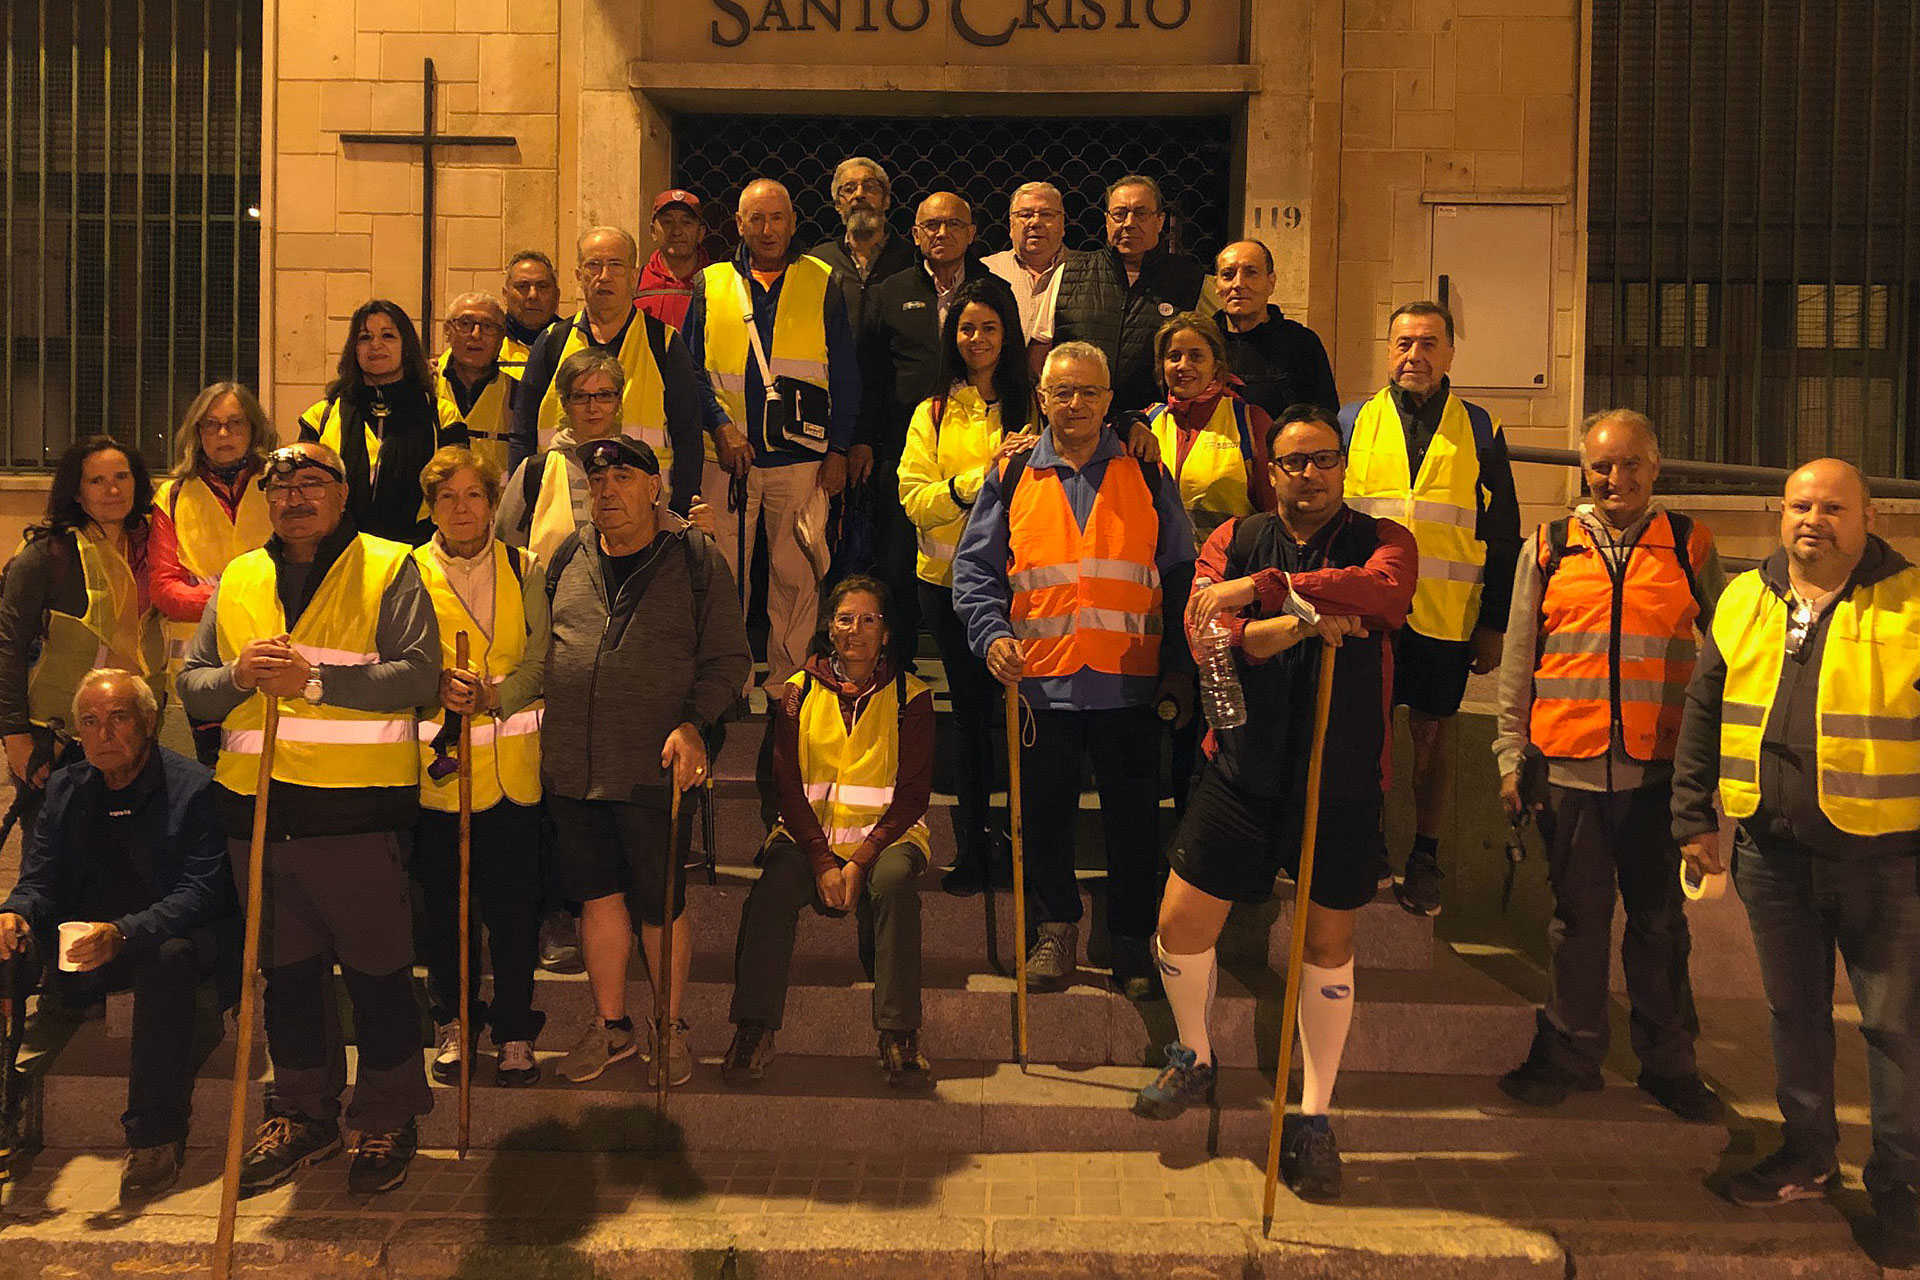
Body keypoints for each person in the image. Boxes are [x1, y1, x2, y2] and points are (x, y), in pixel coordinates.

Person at [1130, 406, 1416, 1205]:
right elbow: (1203, 628)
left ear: (1342, 466)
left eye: (1323, 459)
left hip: (1344, 773)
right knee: (1181, 922)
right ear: (1272, 470)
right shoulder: (1233, 536)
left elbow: (1385, 594)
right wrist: (1295, 624)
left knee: (1326, 942)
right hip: (1242, 767)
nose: (1310, 474)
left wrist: (1265, 594)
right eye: (1294, 462)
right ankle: (1194, 1054)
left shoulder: (1386, 537)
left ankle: (1313, 1116)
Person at [1672, 458, 1920, 1269]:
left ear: (1869, 515)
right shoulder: (1745, 595)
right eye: (1800, 505)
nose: (1813, 519)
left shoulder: (1913, 601)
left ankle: (1902, 1191)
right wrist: (1693, 820)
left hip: (1887, 859)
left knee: (1894, 1027)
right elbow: (1704, 709)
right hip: (1769, 851)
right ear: (1780, 514)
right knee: (1796, 1017)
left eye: (1833, 507)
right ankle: (1807, 1155)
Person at [177, 440, 441, 1198]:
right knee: (286, 979)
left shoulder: (392, 566)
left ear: (342, 491)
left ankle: (388, 1116)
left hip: (355, 815)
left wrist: (313, 681)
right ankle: (302, 1114)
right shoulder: (240, 577)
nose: (294, 494)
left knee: (379, 977)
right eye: (280, 484)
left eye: (311, 481)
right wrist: (234, 676)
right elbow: (192, 688)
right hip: (256, 816)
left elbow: (417, 674)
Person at [1493, 410, 1723, 1122]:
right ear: (1584, 472)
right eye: (1601, 466)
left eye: (1630, 465)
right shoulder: (1551, 544)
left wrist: (1711, 770)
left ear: (1655, 470)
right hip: (1568, 773)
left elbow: (1724, 660)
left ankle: (1670, 1064)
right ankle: (1568, 1056)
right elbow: (1518, 659)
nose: (1615, 479)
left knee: (1660, 925)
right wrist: (1509, 755)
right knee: (1577, 922)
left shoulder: (1689, 544)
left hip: (1662, 778)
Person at [952, 341, 1197, 1000]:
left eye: (1089, 392)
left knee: (1134, 822)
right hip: (1041, 686)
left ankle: (1130, 939)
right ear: (1043, 399)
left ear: (1110, 401)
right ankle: (1054, 929)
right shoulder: (1011, 475)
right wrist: (991, 634)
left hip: (1129, 680)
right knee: (1044, 819)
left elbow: (1179, 569)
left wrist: (1177, 662)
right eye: (1063, 392)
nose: (1077, 404)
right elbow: (973, 570)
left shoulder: (1146, 471)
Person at [542, 436, 750, 1090]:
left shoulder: (695, 559)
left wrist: (694, 725)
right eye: (596, 479)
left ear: (653, 487)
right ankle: (613, 1027)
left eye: (622, 477)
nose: (606, 490)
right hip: (576, 764)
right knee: (598, 898)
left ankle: (670, 1025)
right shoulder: (570, 555)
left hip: (655, 763)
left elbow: (729, 661)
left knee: (661, 902)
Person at [0, 669, 235, 1201]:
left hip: (162, 937)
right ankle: (3, 1114)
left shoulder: (191, 786)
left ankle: (155, 1137)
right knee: (5, 948)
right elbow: (40, 879)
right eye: (90, 722)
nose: (103, 734)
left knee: (169, 958)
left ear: (149, 723)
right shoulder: (66, 786)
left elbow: (203, 891)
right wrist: (13, 913)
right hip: (82, 941)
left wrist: (125, 932)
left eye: (118, 718)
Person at [1341, 300, 1521, 916]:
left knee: (1433, 739)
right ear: (1387, 350)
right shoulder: (1351, 420)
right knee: (1362, 733)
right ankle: (1365, 846)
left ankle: (1425, 855)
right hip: (1366, 615)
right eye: (1402, 343)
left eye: (1427, 344)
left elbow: (1503, 534)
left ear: (1449, 354)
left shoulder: (1479, 426)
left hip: (1448, 615)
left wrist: (1494, 624)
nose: (1413, 354)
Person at [721, 575, 935, 1090]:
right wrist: (822, 860)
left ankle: (900, 1032)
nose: (856, 630)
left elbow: (912, 796)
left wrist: (859, 861)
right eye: (845, 619)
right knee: (772, 891)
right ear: (829, 629)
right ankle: (754, 1028)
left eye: (869, 620)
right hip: (805, 836)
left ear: (886, 633)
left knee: (896, 884)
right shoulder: (797, 691)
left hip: (888, 839)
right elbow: (786, 785)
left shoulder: (913, 695)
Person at [686, 177, 861, 689]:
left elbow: (846, 373)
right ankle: (727, 683)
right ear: (738, 224)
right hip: (727, 461)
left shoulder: (822, 279)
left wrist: (839, 449)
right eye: (755, 219)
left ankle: (791, 682)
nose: (767, 229)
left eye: (777, 218)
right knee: (723, 578)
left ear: (792, 222)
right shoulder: (710, 282)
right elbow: (691, 370)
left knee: (798, 578)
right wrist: (719, 428)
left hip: (801, 460)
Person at [412, 446, 548, 1090]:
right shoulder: (405, 573)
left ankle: (516, 1030)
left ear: (494, 503)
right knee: (447, 913)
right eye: (447, 497)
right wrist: (433, 685)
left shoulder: (526, 568)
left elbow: (545, 662)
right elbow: (393, 661)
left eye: (473, 496)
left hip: (515, 774)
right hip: (440, 774)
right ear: (431, 506)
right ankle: (454, 1023)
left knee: (515, 911)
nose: (461, 508)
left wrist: (498, 695)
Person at [858, 193, 1016, 660]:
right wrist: (863, 440)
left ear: (971, 233)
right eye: (931, 225)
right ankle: (901, 682)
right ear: (915, 235)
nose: (941, 233)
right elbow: (869, 371)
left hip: (978, 439)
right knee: (898, 569)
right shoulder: (890, 289)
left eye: (953, 224)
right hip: (905, 449)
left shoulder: (995, 289)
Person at [1142, 313, 1278, 810]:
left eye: (1195, 355)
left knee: (1216, 728)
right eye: (1173, 356)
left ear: (1217, 363)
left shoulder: (1249, 421)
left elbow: (1269, 515)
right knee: (1166, 719)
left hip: (1225, 601)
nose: (1183, 365)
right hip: (1157, 597)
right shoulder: (1146, 423)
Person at [0, 436, 164, 843]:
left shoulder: (159, 550)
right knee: (55, 863)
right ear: (76, 490)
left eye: (121, 477)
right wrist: (15, 736)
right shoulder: (45, 555)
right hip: (56, 744)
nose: (112, 490)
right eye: (96, 481)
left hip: (136, 737)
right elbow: (8, 646)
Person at [507, 227, 705, 509]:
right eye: (593, 265)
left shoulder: (663, 342)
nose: (604, 276)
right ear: (578, 276)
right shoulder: (552, 341)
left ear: (634, 276)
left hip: (641, 509)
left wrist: (681, 509)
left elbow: (687, 434)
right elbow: (523, 431)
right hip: (561, 503)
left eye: (616, 265)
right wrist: (523, 501)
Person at [148, 383, 277, 765]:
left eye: (235, 423)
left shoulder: (280, 486)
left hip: (269, 660)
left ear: (254, 429)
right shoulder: (171, 494)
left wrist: (204, 591)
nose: (223, 434)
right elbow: (164, 591)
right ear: (196, 432)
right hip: (193, 670)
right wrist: (242, 597)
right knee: (195, 782)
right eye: (211, 425)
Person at [298, 299, 467, 546]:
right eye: (365, 338)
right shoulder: (320, 417)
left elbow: (456, 493)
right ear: (353, 349)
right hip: (340, 552)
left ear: (406, 346)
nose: (375, 345)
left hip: (418, 554)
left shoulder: (442, 416)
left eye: (388, 336)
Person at [1051, 175, 1207, 415]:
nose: (1129, 223)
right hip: (1079, 421)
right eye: (1120, 214)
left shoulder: (1189, 279)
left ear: (1160, 221)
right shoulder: (1070, 271)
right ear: (1107, 221)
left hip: (1157, 426)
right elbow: (1041, 352)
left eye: (1141, 213)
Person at [497, 349, 631, 562]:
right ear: (564, 404)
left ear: (618, 400)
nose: (592, 407)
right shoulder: (535, 472)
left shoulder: (637, 467)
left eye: (604, 395)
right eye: (580, 397)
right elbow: (506, 552)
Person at [1211, 240, 1338, 420]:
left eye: (1251, 273)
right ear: (1216, 285)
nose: (1238, 284)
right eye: (1228, 275)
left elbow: (1325, 418)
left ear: (1271, 282)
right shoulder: (1203, 342)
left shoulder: (1301, 343)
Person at [810, 157, 917, 334]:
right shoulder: (818, 262)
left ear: (886, 200)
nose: (859, 194)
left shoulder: (913, 260)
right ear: (838, 205)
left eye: (869, 187)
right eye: (849, 189)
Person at [982, 180, 1074, 373]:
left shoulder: (1085, 271)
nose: (1035, 222)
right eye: (1025, 215)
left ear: (1063, 223)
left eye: (1047, 214)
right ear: (1010, 224)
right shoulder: (985, 272)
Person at [434, 292, 517, 472]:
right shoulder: (426, 386)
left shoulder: (519, 394)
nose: (476, 334)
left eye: (488, 326)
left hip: (496, 499)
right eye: (465, 324)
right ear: (447, 331)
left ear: (501, 338)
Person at [636, 189, 711, 331]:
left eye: (686, 222)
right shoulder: (633, 283)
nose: (677, 231)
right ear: (653, 232)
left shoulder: (718, 282)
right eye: (667, 222)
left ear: (701, 233)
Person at [500, 250, 562, 377]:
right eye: (522, 286)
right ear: (505, 295)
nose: (533, 295)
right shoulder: (485, 344)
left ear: (557, 296)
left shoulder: (574, 341)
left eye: (543, 286)